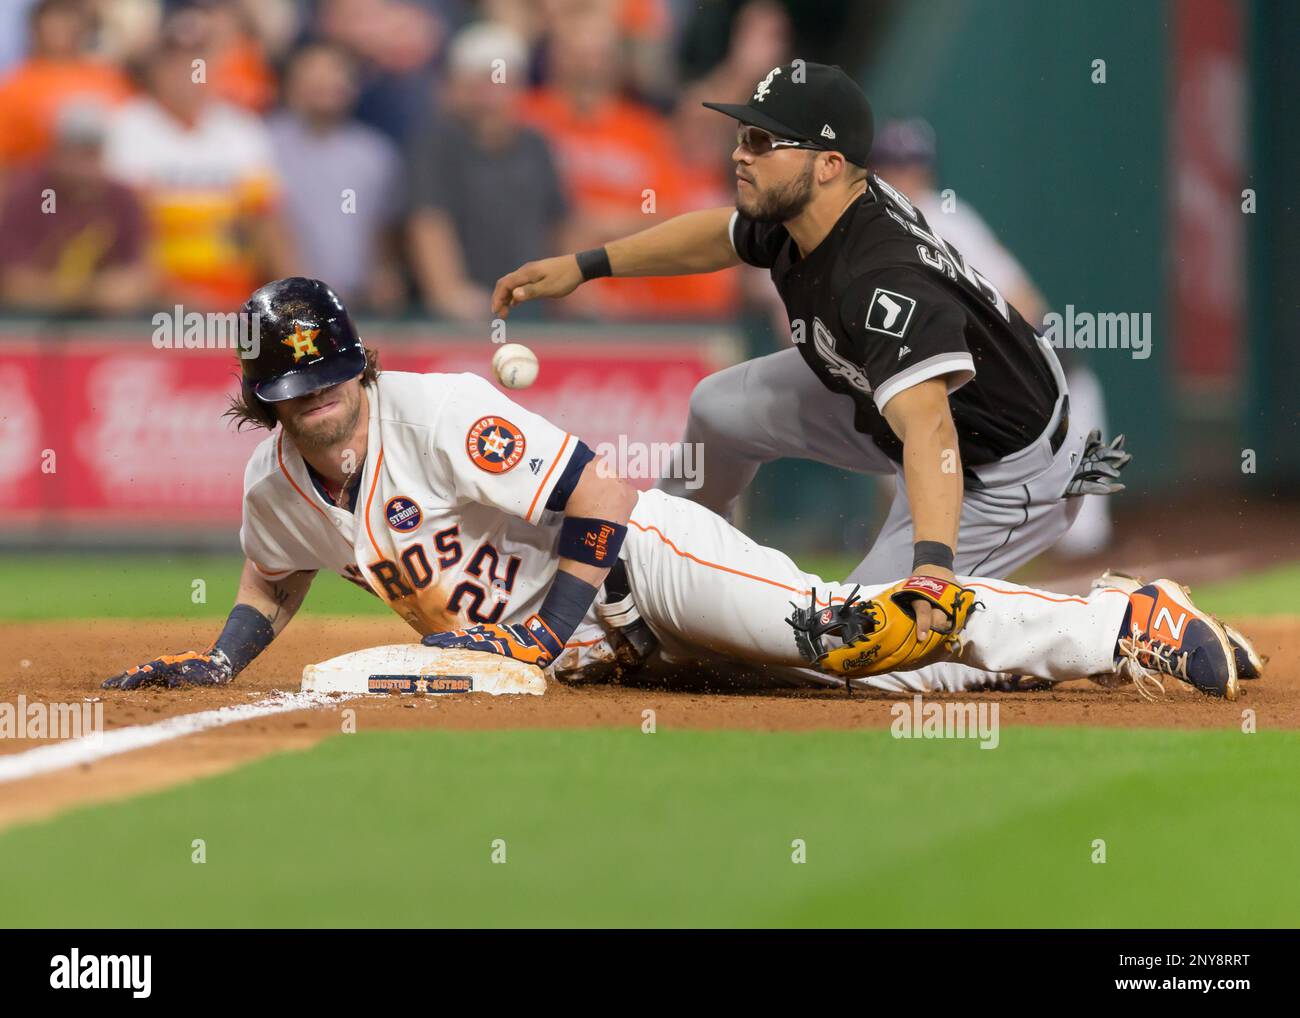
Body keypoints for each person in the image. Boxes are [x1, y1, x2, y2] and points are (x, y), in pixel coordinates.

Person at [101, 277, 1255, 701]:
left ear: (360, 367)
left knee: (839, 632)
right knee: (862, 688)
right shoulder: (273, 484)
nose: (314, 402)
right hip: (612, 651)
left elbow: (600, 493)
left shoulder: (435, 409)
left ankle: (1122, 617)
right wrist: (224, 655)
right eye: (291, 392)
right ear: (263, 401)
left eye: (327, 380)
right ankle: (1083, 640)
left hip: (639, 562)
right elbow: (274, 573)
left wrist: (545, 630)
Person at [490, 62, 1141, 691]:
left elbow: (934, 435)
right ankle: (652, 571)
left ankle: (1104, 629)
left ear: (829, 164)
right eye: (745, 135)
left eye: (765, 140)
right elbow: (719, 237)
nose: (742, 153)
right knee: (722, 408)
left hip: (1002, 467)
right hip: (900, 413)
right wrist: (588, 264)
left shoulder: (878, 277)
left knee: (840, 647)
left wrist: (933, 575)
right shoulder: (805, 212)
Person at [870, 117, 1115, 556]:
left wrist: (1045, 344)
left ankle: (1082, 525)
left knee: (1075, 382)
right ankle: (912, 535)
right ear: (878, 170)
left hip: (969, 356)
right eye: (896, 165)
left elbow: (1017, 292)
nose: (908, 175)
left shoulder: (948, 214)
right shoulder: (884, 222)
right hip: (926, 361)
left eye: (914, 164)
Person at [102, 36, 296, 309]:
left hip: (235, 292)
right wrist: (166, 293)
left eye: (197, 63)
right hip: (152, 301)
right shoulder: (126, 126)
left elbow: (267, 220)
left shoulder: (241, 128)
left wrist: (294, 297)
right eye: (174, 64)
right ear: (154, 71)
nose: (188, 74)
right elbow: (124, 224)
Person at [406, 22, 567, 322]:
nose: (490, 96)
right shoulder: (436, 145)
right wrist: (448, 292)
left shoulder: (536, 145)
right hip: (466, 311)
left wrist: (567, 292)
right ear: (456, 88)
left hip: (531, 304)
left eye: (501, 83)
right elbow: (428, 222)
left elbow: (560, 222)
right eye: (478, 84)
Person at [269, 42, 403, 309]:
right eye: (313, 79)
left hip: (359, 306)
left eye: (334, 77)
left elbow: (384, 231)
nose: (324, 88)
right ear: (290, 84)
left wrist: (383, 275)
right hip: (280, 304)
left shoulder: (374, 152)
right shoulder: (262, 144)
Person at [0, 101, 153, 314]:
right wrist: (89, 295)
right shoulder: (25, 194)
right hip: (29, 325)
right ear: (55, 151)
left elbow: (140, 278)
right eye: (75, 152)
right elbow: (14, 284)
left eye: (91, 153)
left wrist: (120, 290)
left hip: (107, 328)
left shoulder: (122, 198)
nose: (83, 167)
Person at [0, 0, 133, 171]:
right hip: (43, 188)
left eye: (69, 20)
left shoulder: (111, 78)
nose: (62, 29)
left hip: (105, 183)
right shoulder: (15, 86)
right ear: (36, 27)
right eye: (54, 20)